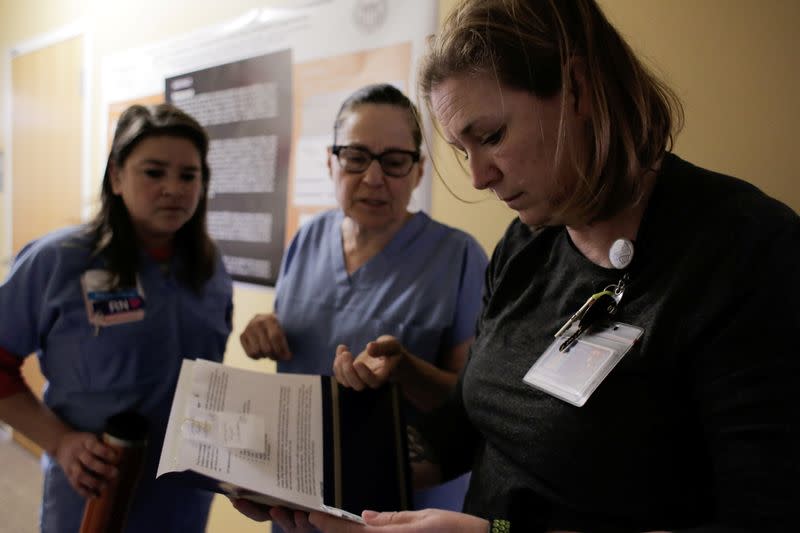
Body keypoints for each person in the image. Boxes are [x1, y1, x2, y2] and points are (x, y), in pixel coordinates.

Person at [305, 0, 800, 532]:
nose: (478, 177)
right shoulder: (524, 247)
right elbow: (469, 432)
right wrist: (316, 479)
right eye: (461, 149)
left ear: (580, 89)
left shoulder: (749, 252)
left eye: (491, 136)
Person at [236, 83, 488, 528]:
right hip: (300, 498)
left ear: (418, 172)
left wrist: (404, 369)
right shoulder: (306, 240)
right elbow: (304, 325)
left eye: (393, 162)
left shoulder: (459, 257)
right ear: (331, 162)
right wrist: (265, 329)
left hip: (402, 512)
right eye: (355, 157)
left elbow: (472, 402)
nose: (374, 179)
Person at [0, 103, 233, 532]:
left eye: (188, 175)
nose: (173, 189)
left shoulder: (209, 267)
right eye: (153, 172)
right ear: (117, 176)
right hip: (91, 500)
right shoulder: (59, 261)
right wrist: (60, 441)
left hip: (183, 501)